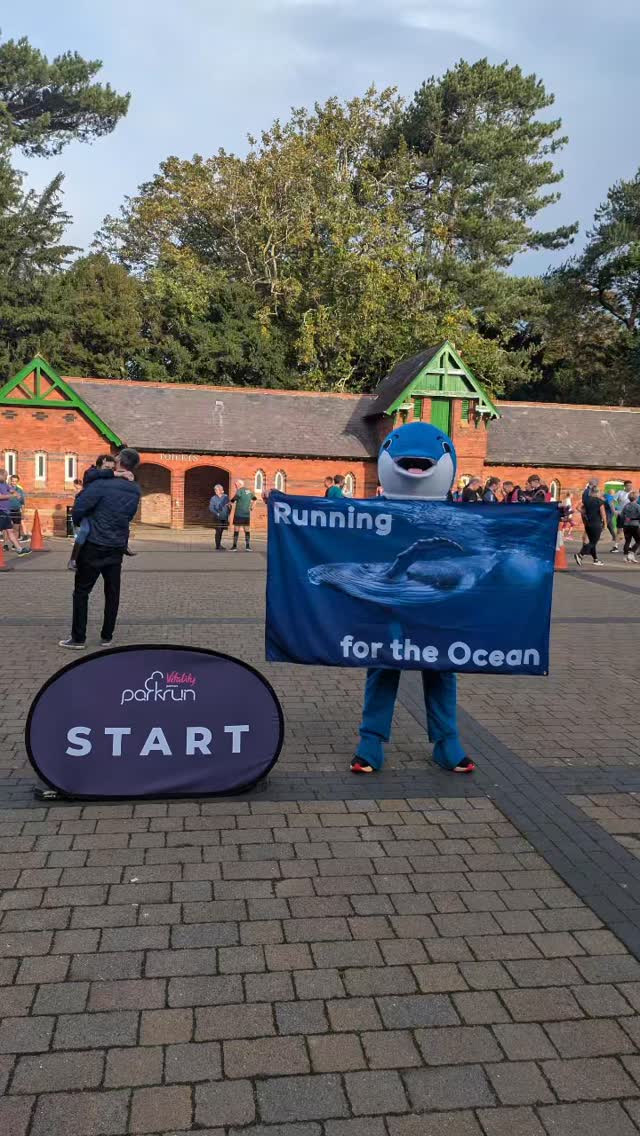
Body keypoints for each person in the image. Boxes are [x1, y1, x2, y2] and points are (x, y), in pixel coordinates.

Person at [351, 421, 473, 777]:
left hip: (435, 604)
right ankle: (371, 740)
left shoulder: (459, 514)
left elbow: (507, 527)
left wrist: (547, 518)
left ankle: (446, 741)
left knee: (441, 668)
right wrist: (280, 507)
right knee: (384, 666)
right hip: (391, 602)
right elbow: (331, 518)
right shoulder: (374, 510)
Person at [59, 448, 141, 649]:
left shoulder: (101, 484)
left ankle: (78, 638)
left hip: (94, 545)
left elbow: (80, 506)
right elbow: (129, 515)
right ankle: (107, 636)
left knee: (81, 592)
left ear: (119, 460)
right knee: (112, 592)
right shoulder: (135, 489)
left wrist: (81, 523)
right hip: (116, 546)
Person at [575, 483, 606, 567]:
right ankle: (580, 554)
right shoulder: (600, 501)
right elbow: (603, 514)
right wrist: (605, 524)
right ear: (597, 492)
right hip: (596, 523)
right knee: (593, 542)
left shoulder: (586, 500)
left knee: (592, 541)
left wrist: (584, 512)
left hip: (588, 523)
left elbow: (577, 507)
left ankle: (595, 559)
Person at [0, 469, 30, 556]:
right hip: (1, 511)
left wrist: (16, 493)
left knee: (10, 531)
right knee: (7, 531)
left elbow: (11, 490)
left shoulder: (5, 484)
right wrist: (11, 495)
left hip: (6, 512)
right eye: (5, 475)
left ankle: (19, 549)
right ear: (1, 475)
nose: (7, 477)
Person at [229, 479, 256, 551]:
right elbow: (255, 499)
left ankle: (234, 547)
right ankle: (248, 547)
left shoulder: (240, 490)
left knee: (236, 529)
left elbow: (235, 498)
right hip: (246, 514)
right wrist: (252, 507)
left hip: (239, 513)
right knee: (246, 530)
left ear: (239, 484)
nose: (235, 486)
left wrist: (230, 503)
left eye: (236, 485)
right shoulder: (249, 491)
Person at [209, 484, 230, 550]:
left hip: (224, 517)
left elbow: (228, 506)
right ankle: (218, 546)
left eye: (217, 490)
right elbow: (211, 508)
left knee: (221, 531)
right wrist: (217, 513)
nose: (215, 491)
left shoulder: (226, 497)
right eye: (215, 490)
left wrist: (228, 514)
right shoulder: (213, 498)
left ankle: (219, 544)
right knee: (218, 531)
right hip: (217, 517)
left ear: (221, 490)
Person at [620, 491, 640, 563]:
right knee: (638, 540)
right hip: (635, 525)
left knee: (627, 541)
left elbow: (622, 515)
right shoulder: (637, 506)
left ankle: (625, 557)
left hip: (626, 525)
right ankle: (631, 553)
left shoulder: (626, 506)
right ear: (636, 498)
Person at [8, 475, 27, 541]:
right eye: (12, 481)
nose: (14, 483)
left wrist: (23, 513)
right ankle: (5, 545)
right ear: (10, 481)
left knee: (16, 528)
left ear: (17, 482)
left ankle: (15, 545)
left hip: (16, 511)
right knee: (7, 529)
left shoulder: (20, 490)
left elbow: (22, 503)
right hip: (7, 511)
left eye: (15, 481)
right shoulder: (6, 489)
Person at [602, 487, 620, 552]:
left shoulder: (605, 496)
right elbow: (610, 504)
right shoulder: (610, 497)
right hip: (608, 515)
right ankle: (595, 535)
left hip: (609, 514)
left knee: (611, 527)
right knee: (604, 526)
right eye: (614, 493)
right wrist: (616, 509)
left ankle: (614, 538)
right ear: (612, 493)